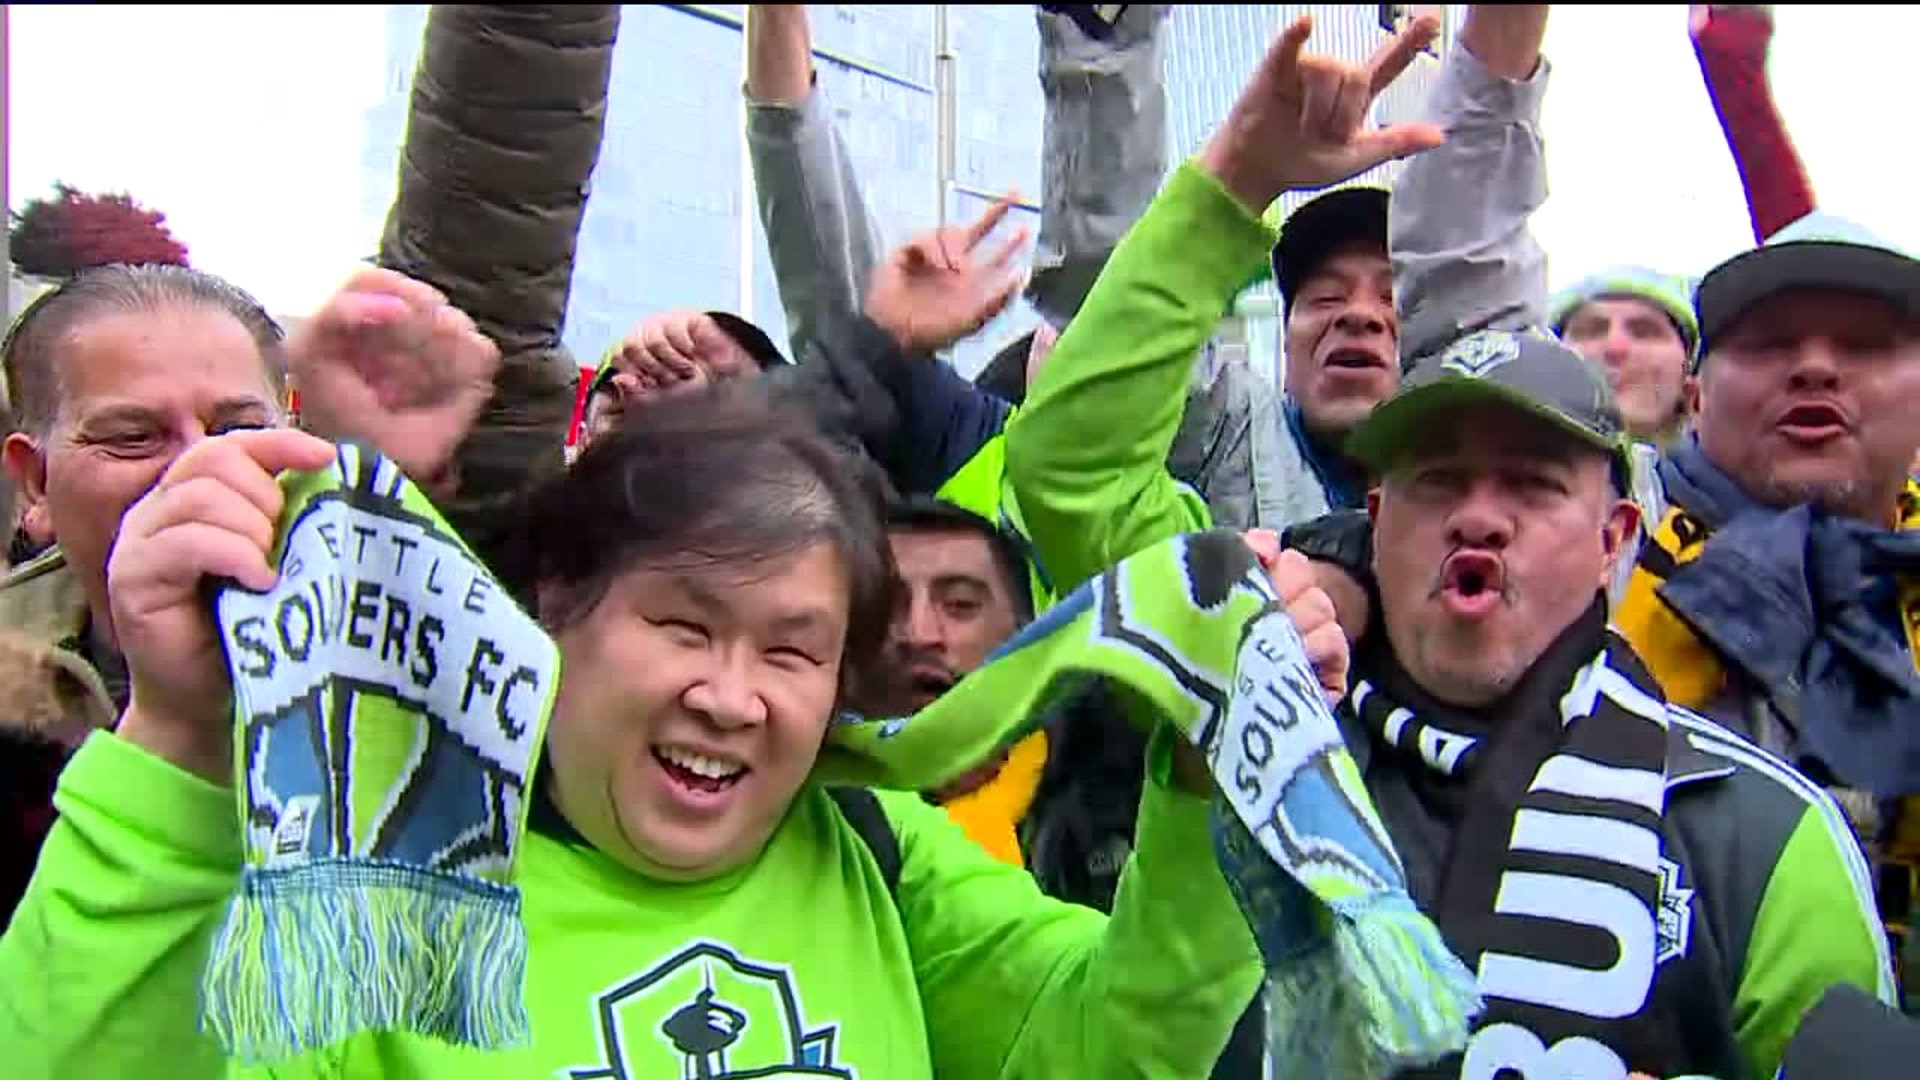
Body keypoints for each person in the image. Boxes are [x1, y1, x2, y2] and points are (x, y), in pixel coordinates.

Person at [0, 385, 1359, 1078]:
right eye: (684, 625)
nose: (732, 695)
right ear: (557, 608)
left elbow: (1115, 1048)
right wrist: (180, 738)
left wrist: (1213, 778)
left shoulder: (875, 854)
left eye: (793, 650)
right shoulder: (374, 882)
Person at [0, 263, 497, 926]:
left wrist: (383, 489)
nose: (199, 466)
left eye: (238, 429)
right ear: (35, 481)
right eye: (133, 438)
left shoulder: (381, 619)